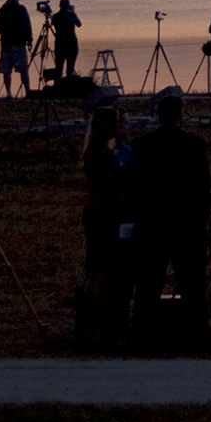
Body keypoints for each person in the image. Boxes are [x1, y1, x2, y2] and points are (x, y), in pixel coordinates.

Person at [126, 94, 211, 349]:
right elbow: (202, 189)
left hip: (152, 224)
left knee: (148, 281)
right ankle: (198, 333)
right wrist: (200, 220)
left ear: (157, 114)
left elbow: (133, 186)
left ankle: (142, 333)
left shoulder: (142, 145)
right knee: (192, 282)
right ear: (181, 114)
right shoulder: (195, 146)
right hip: (186, 225)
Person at [76, 106, 129, 348]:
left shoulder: (91, 153)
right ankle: (100, 328)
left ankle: (89, 325)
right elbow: (119, 185)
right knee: (106, 272)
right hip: (105, 215)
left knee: (94, 268)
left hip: (94, 213)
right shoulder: (106, 156)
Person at [0, 0, 33, 97]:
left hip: (6, 44)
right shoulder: (22, 9)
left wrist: (6, 31)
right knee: (24, 70)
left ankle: (9, 92)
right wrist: (29, 40)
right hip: (20, 44)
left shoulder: (2, 10)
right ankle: (28, 91)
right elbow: (28, 25)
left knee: (7, 70)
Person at [52, 0, 82, 78]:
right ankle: (69, 82)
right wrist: (73, 12)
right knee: (70, 66)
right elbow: (79, 24)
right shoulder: (71, 15)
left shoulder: (55, 16)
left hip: (59, 43)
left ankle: (58, 84)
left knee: (59, 67)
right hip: (71, 43)